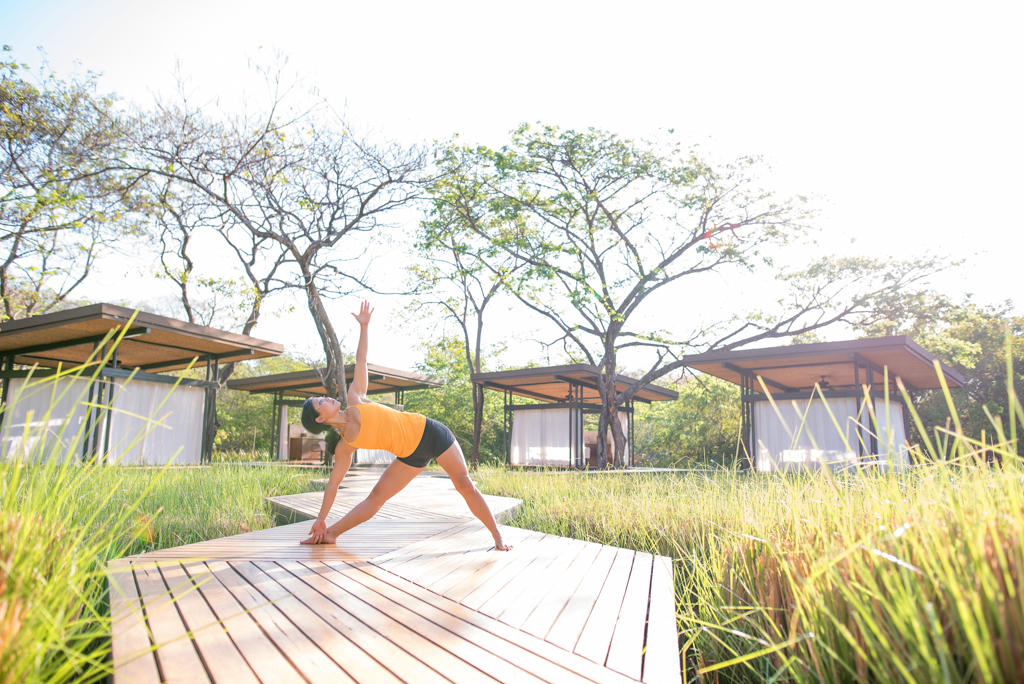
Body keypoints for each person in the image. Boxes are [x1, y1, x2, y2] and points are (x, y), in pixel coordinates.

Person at [298, 301, 512, 551]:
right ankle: (332, 533)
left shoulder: (356, 398)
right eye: (321, 402)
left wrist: (364, 327)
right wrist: (321, 519)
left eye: (323, 397)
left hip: (430, 433)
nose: (327, 398)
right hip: (411, 456)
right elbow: (333, 485)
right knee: (376, 498)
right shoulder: (344, 448)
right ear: (320, 419)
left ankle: (497, 535)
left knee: (464, 483)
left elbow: (361, 359)